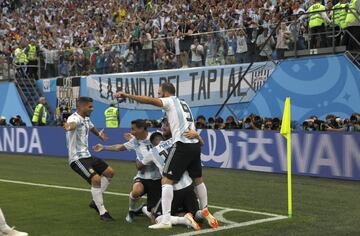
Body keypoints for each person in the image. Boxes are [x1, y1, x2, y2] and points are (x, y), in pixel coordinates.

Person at [114, 82, 218, 229]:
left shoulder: (170, 101)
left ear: (165, 93)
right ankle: (205, 209)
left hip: (182, 144)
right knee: (198, 179)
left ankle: (166, 220)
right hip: (194, 143)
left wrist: (127, 95)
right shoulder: (184, 103)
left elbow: (149, 101)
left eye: (159, 92)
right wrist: (198, 137)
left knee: (166, 180)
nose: (158, 95)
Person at [93, 119, 162, 224]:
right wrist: (104, 147)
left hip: (157, 179)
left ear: (141, 129)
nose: (131, 131)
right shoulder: (134, 141)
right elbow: (119, 147)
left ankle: (144, 209)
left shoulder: (155, 137)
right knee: (136, 192)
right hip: (142, 177)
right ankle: (131, 211)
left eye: (133, 129)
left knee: (154, 220)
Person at [63, 96, 115, 221]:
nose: (92, 109)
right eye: (90, 107)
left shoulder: (86, 118)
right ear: (81, 107)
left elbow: (91, 127)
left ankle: (95, 201)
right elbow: (73, 125)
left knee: (109, 173)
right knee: (96, 179)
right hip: (77, 159)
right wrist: (68, 127)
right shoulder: (74, 118)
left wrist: (100, 136)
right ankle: (103, 212)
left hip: (87, 156)